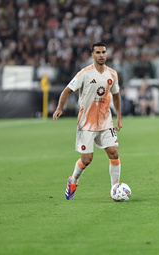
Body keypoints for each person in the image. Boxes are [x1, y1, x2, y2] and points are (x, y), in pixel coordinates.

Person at [53, 42, 122, 200]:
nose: (101, 55)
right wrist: (59, 108)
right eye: (98, 52)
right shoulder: (84, 74)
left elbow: (116, 95)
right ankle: (73, 180)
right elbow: (67, 90)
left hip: (105, 121)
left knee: (114, 152)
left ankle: (115, 188)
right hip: (87, 123)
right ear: (92, 55)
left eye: (104, 52)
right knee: (87, 159)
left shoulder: (112, 74)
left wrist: (119, 116)